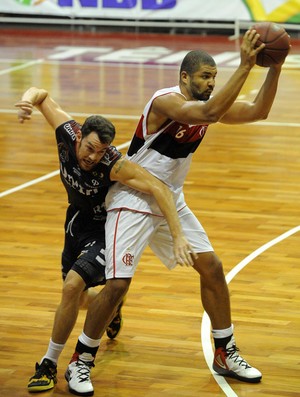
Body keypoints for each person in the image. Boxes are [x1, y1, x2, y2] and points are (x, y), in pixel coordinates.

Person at [61, 28, 290, 396]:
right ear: (184, 77)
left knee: (212, 266)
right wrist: (246, 64)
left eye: (214, 77)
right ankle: (81, 360)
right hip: (132, 198)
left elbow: (258, 112)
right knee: (118, 283)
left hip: (171, 198)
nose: (211, 82)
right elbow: (211, 112)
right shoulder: (165, 100)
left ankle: (224, 351)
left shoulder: (205, 107)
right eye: (205, 76)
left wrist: (274, 67)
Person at [15, 87, 195, 394]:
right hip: (76, 223)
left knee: (71, 285)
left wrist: (178, 234)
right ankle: (113, 303)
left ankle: (48, 363)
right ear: (80, 136)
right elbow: (42, 95)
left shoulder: (113, 164)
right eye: (89, 148)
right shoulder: (66, 132)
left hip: (104, 229)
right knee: (80, 299)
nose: (91, 157)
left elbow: (160, 188)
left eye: (100, 151)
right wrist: (27, 101)